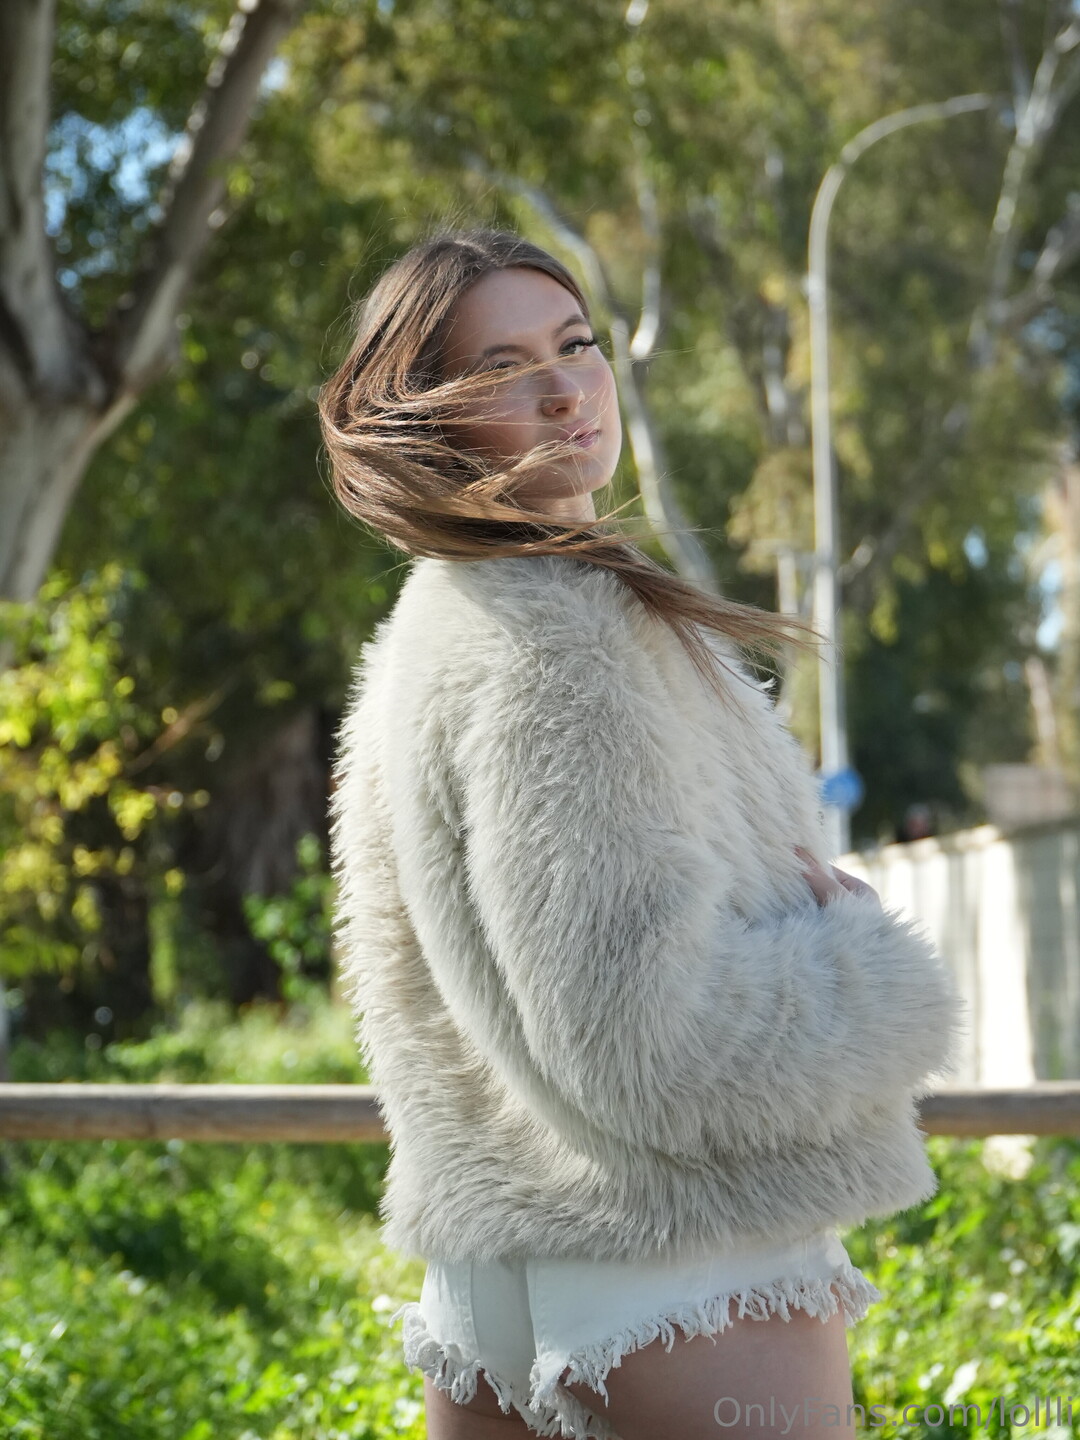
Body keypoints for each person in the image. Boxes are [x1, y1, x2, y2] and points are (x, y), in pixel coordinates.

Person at [317, 228, 966, 1440]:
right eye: (504, 367)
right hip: (679, 1258)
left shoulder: (437, 626)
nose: (566, 389)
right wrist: (871, 972)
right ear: (425, 415)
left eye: (576, 344)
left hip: (500, 1261)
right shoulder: (559, 636)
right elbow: (643, 1037)